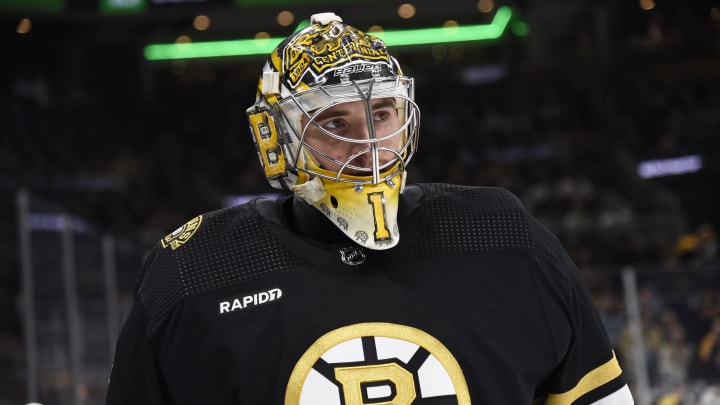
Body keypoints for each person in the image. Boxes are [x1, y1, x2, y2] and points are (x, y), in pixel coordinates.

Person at [106, 12, 635, 404]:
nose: (371, 147)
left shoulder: (508, 240)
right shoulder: (195, 270)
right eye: (334, 124)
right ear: (277, 138)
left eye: (382, 114)